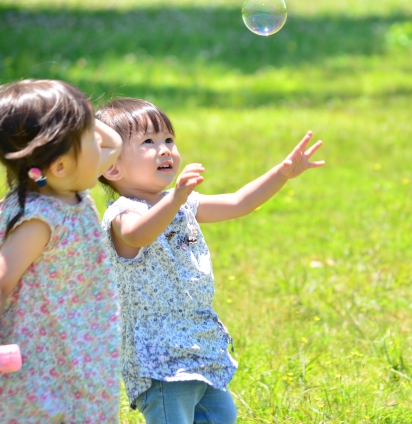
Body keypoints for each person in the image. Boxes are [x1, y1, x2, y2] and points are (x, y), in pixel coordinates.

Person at [96, 98, 325, 423]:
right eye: (148, 142)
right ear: (113, 167)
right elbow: (138, 235)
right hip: (159, 359)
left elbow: (238, 202)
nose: (165, 150)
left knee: (222, 416)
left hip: (199, 344)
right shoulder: (123, 214)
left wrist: (282, 173)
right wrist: (176, 198)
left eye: (168, 140)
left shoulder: (182, 204)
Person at [0, 79, 123, 422]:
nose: (101, 142)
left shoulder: (68, 187)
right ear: (59, 166)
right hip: (39, 353)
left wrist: (80, 111)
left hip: (77, 344)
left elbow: (114, 143)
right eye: (90, 137)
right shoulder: (40, 220)